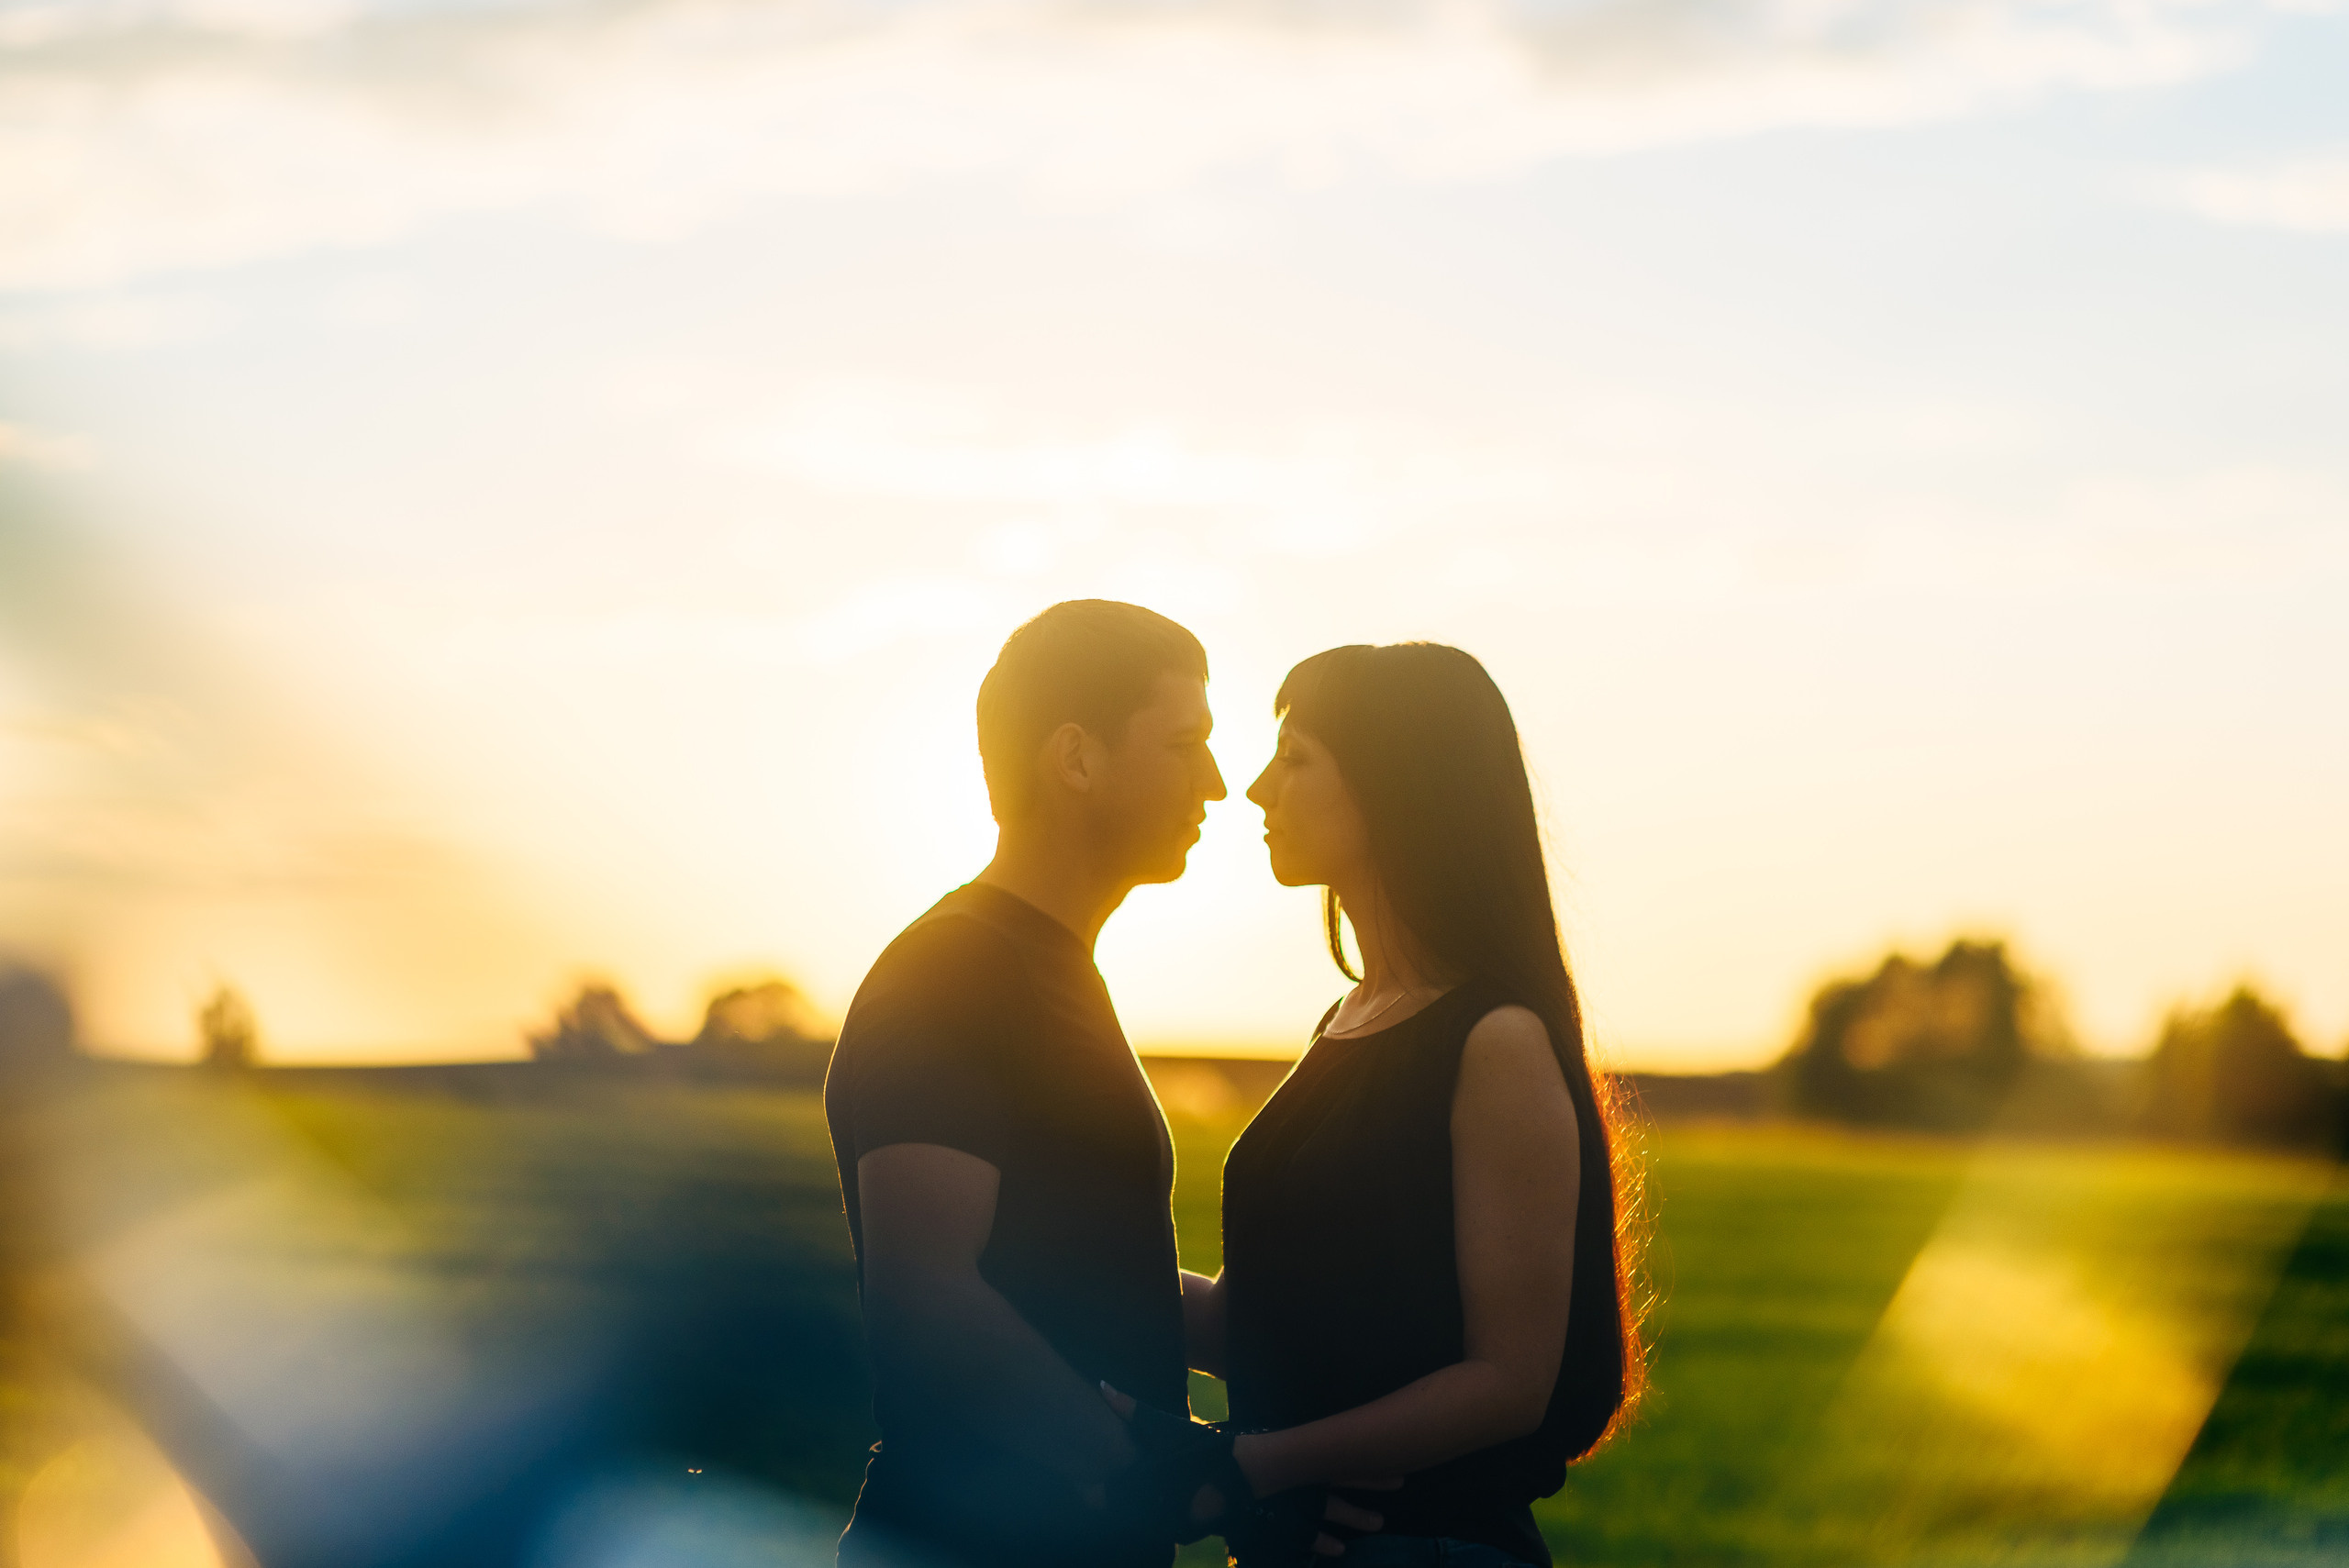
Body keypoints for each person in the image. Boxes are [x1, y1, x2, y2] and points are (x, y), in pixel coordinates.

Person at [824, 601, 1375, 1568]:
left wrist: (1316, 1347)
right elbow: (928, 1291)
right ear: (1075, 759)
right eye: (1186, 742)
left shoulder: (1046, 967)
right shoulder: (958, 969)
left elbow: (1065, 1264)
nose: (1215, 782)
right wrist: (1158, 1467)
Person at [1167, 642, 1648, 1568]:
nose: (1257, 789)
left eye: (1296, 756)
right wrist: (1060, 1259)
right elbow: (1260, 1322)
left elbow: (1507, 1381)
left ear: (1398, 787)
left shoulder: (1494, 1038)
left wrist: (1253, 1463)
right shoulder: (1346, 1021)